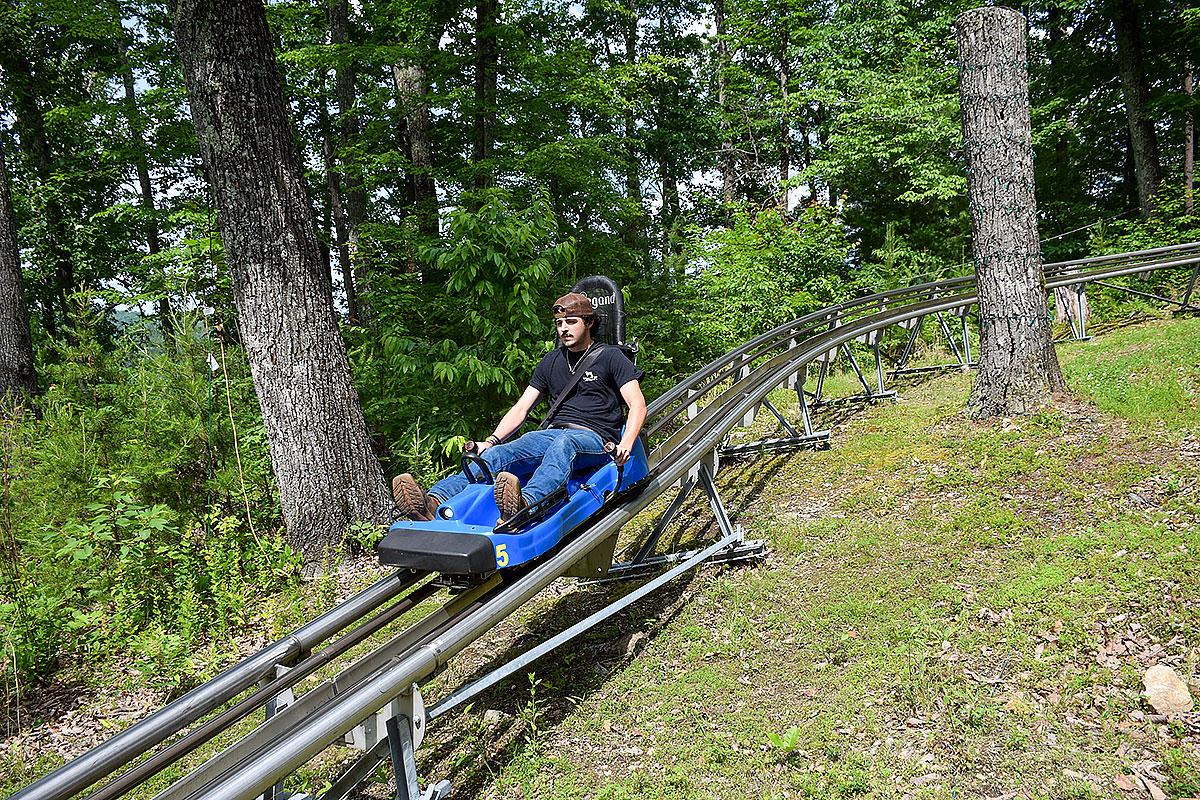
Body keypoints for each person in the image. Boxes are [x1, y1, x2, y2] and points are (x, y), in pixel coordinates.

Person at [392, 292, 647, 523]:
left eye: (571, 322)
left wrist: (626, 442)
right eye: (559, 324)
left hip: (594, 438)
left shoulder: (611, 356)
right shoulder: (551, 361)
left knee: (564, 445)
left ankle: (526, 504)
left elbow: (637, 404)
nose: (563, 329)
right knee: (498, 455)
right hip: (551, 433)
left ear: (589, 323)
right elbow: (521, 407)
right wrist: (490, 441)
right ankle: (431, 502)